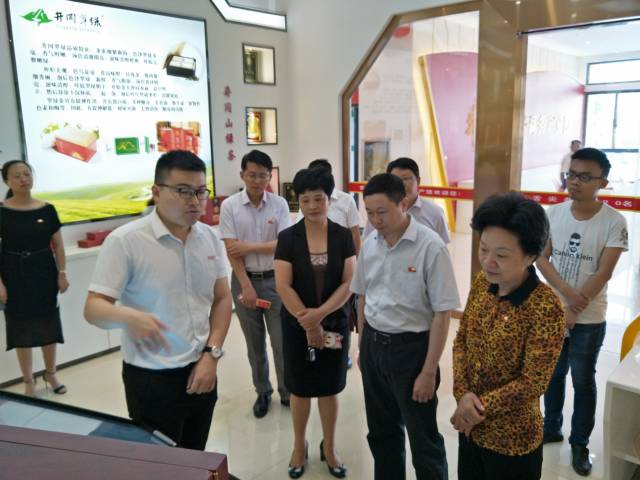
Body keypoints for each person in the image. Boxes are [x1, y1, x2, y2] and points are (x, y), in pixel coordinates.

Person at [84, 150, 232, 450]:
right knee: (158, 463)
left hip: (203, 367)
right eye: (183, 191)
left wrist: (211, 354)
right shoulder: (126, 241)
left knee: (194, 455)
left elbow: (222, 298)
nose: (195, 201)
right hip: (151, 378)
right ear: (156, 192)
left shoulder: (209, 238)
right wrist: (128, 317)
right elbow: (93, 308)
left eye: (201, 191)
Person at [351, 173, 460, 480]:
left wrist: (428, 371)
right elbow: (362, 297)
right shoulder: (370, 243)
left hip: (411, 352)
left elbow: (442, 313)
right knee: (381, 432)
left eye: (382, 212)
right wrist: (362, 347)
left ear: (403, 203)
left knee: (423, 438)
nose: (375, 220)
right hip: (374, 346)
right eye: (369, 213)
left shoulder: (430, 246)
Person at [451, 192, 565, 480]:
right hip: (471, 430)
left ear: (530, 256)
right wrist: (463, 395)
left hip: (512, 440)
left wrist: (476, 408)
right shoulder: (482, 283)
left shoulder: (545, 307)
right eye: (484, 249)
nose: (488, 261)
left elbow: (533, 381)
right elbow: (462, 340)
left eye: (501, 255)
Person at [538, 147, 628, 476]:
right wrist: (566, 297)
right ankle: (551, 427)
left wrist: (577, 304)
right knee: (553, 374)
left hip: (589, 317)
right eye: (571, 175)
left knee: (583, 379)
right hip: (553, 312)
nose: (574, 182)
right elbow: (541, 258)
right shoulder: (553, 214)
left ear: (602, 182)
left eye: (584, 177)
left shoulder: (614, 221)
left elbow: (605, 271)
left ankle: (580, 444)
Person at [275, 168, 356, 478]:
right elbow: (283, 285)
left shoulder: (342, 236)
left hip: (334, 324)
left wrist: (320, 315)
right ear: (299, 200)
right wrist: (309, 323)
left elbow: (349, 282)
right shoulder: (287, 238)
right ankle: (299, 446)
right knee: (299, 388)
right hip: (297, 325)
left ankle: (330, 447)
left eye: (318, 198)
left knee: (329, 388)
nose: (311, 205)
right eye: (305, 199)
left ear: (329, 199)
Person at [219, 149, 292, 418]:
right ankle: (263, 392)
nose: (258, 180)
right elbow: (231, 250)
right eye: (252, 175)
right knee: (254, 344)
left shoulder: (279, 204)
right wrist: (246, 286)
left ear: (269, 176)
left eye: (263, 175)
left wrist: (248, 247)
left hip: (276, 282)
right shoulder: (230, 206)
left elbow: (283, 243)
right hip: (244, 280)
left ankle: (287, 391)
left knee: (281, 342)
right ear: (242, 175)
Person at [0, 160, 69, 397]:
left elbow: (58, 245)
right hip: (13, 275)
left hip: (44, 273)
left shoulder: (47, 209)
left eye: (27, 174)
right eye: (17, 176)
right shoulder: (2, 210)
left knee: (49, 324)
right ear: (7, 181)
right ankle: (28, 381)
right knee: (20, 328)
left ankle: (51, 373)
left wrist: (62, 273)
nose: (23, 179)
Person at [364, 157, 450, 244]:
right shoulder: (379, 212)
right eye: (395, 180)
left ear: (418, 181)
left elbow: (442, 246)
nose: (400, 185)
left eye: (405, 179)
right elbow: (368, 242)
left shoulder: (435, 213)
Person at [296, 159, 361, 254]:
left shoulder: (347, 200)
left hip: (342, 252)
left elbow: (355, 232)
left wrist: (356, 256)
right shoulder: (307, 202)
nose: (312, 206)